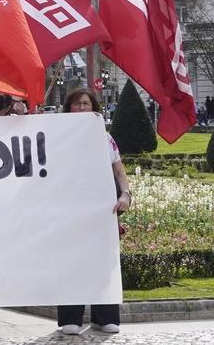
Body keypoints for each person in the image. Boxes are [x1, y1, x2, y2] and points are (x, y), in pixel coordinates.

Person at [57, 88, 130, 336]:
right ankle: (71, 317)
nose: (81, 108)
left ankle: (105, 316)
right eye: (76, 104)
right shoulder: (58, 136)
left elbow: (120, 172)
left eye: (86, 104)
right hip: (70, 208)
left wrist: (125, 195)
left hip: (102, 208)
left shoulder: (105, 138)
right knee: (71, 260)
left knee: (103, 260)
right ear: (68, 108)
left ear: (94, 108)